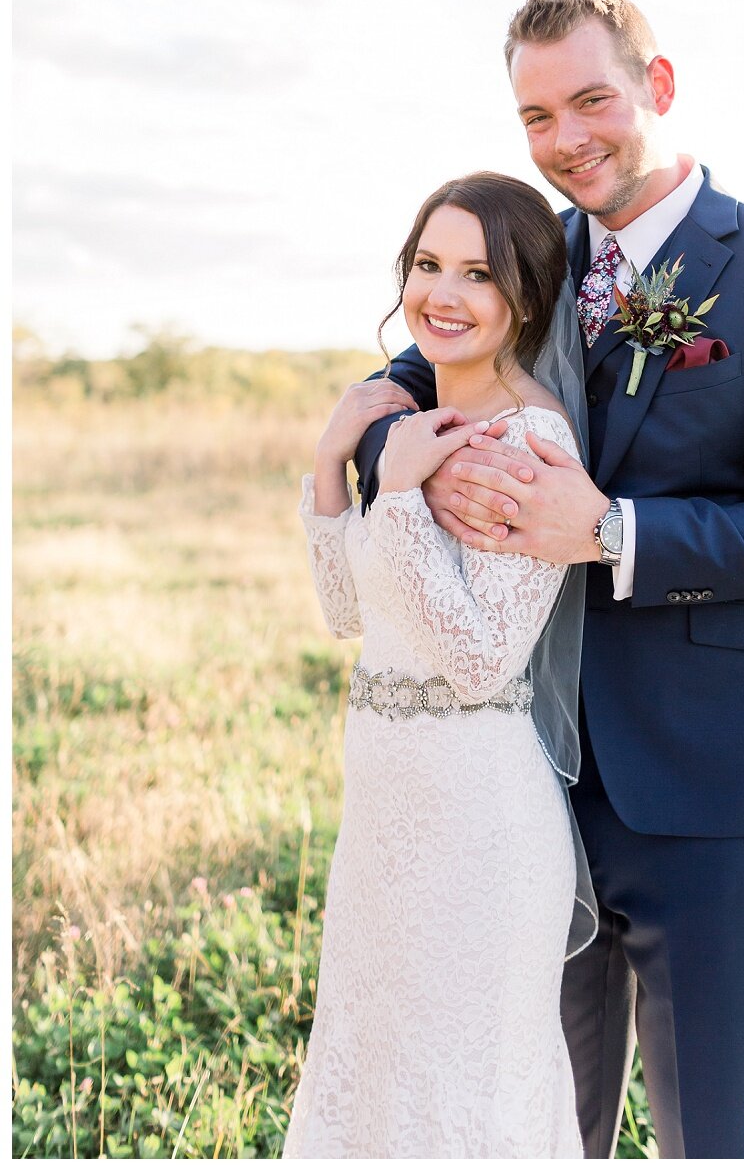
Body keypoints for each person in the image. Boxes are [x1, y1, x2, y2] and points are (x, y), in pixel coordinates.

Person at [355, 0, 744, 1158]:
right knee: (540, 1111)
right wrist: (397, 434)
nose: (566, 140)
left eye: (591, 100)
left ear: (660, 84)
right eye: (536, 118)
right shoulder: (534, 256)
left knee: (709, 1130)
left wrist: (612, 531)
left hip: (707, 772)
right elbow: (438, 356)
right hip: (527, 770)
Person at [283, 171, 596, 1159]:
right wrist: (339, 463)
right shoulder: (408, 424)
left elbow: (479, 656)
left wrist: (405, 494)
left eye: (479, 272)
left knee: (461, 1088)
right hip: (383, 815)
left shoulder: (534, 441)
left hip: (479, 823)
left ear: (527, 298)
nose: (442, 293)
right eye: (427, 264)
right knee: (372, 1068)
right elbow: (347, 610)